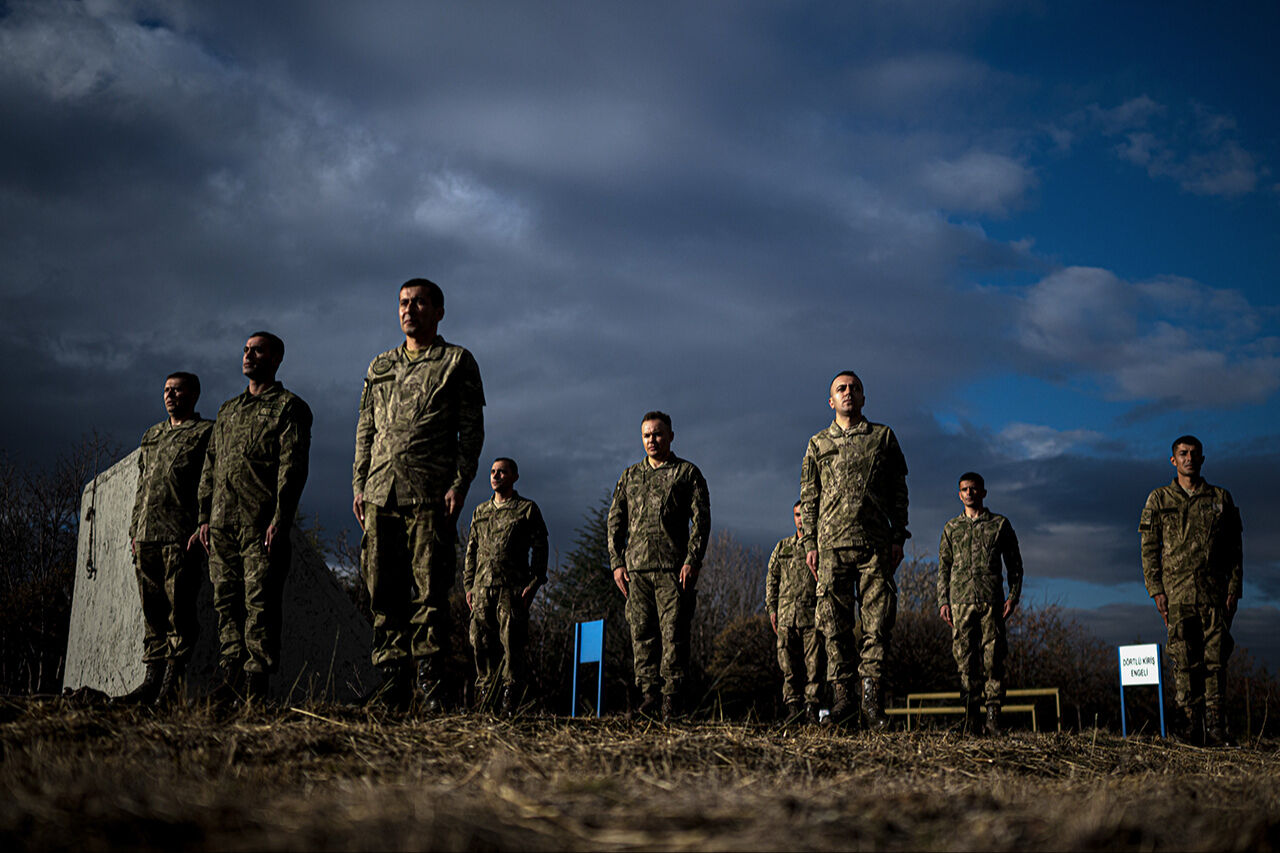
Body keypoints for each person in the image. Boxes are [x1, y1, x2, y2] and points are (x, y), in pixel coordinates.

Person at [353, 278, 485, 711]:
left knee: (429, 591)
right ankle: (391, 682)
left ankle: (430, 683)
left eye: (420, 303)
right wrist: (359, 484)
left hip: (429, 492)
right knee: (381, 590)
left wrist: (460, 484)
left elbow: (471, 432)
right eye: (404, 303)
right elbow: (366, 430)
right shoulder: (380, 366)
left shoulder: (456, 362)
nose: (410, 310)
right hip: (380, 493)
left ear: (438, 311)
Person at [193, 332, 312, 704]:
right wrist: (203, 517)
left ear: (276, 358)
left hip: (260, 523)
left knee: (259, 604)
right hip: (222, 523)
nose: (248, 355)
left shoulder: (289, 407)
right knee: (226, 601)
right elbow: (211, 465)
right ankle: (230, 675)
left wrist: (281, 518)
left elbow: (292, 468)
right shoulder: (228, 410)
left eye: (257, 350)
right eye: (245, 349)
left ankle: (255, 684)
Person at [799, 370, 909, 728]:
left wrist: (898, 537)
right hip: (831, 549)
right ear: (831, 401)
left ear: (864, 398)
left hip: (875, 545)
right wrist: (810, 544)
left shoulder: (882, 437)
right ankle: (844, 700)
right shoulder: (817, 443)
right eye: (841, 389)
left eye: (855, 389)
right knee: (834, 626)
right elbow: (809, 498)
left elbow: (898, 490)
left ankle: (872, 704)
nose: (849, 393)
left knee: (876, 626)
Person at [1140, 435, 1243, 746]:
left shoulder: (1220, 498)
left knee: (1215, 661)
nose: (1189, 459)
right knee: (1184, 660)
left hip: (1214, 593)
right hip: (1177, 594)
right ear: (1173, 460)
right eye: (1183, 454)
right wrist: (1155, 589)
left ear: (1202, 459)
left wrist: (1234, 588)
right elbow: (1148, 548)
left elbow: (1234, 550)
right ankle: (1189, 726)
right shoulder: (1159, 499)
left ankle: (1216, 726)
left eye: (1194, 454)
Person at [118, 372, 213, 707]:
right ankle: (151, 680)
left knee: (179, 612)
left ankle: (172, 685)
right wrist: (134, 530)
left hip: (179, 535)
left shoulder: (204, 433)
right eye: (166, 390)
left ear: (194, 394)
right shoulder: (153, 435)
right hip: (145, 536)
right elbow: (142, 485)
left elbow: (209, 483)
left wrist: (201, 524)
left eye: (177, 390)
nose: (170, 395)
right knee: (152, 611)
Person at [608, 411, 710, 721]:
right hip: (637, 571)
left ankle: (671, 701)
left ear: (671, 436)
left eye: (658, 434)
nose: (652, 440)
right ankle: (649, 697)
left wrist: (693, 559)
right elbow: (615, 521)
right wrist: (617, 563)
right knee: (642, 635)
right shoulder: (630, 476)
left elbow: (701, 521)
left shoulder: (687, 473)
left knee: (674, 635)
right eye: (647, 435)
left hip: (672, 569)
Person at [936, 472, 1023, 735]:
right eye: (964, 489)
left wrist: (1013, 596)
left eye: (974, 489)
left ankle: (993, 718)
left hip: (991, 602)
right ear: (959, 493)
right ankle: (970, 719)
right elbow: (943, 568)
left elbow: (1015, 564)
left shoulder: (999, 525)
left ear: (984, 492)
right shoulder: (951, 528)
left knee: (993, 660)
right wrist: (943, 601)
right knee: (964, 661)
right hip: (960, 603)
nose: (969, 493)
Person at [463, 457, 548, 714]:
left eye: (502, 472)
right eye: (492, 472)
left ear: (514, 477)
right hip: (481, 590)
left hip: (511, 590)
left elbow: (540, 546)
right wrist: (469, 585)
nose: (496, 476)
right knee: (480, 643)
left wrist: (534, 582)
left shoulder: (526, 509)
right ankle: (486, 699)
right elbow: (471, 550)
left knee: (511, 645)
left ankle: (511, 701)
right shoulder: (480, 511)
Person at [766, 500, 825, 723]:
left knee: (814, 667)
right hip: (786, 618)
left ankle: (811, 710)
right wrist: (772, 609)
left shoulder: (820, 547)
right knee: (788, 667)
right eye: (797, 515)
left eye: (804, 515)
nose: (801, 519)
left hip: (812, 617)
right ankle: (793, 710)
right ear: (793, 518)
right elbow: (772, 579)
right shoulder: (783, 548)